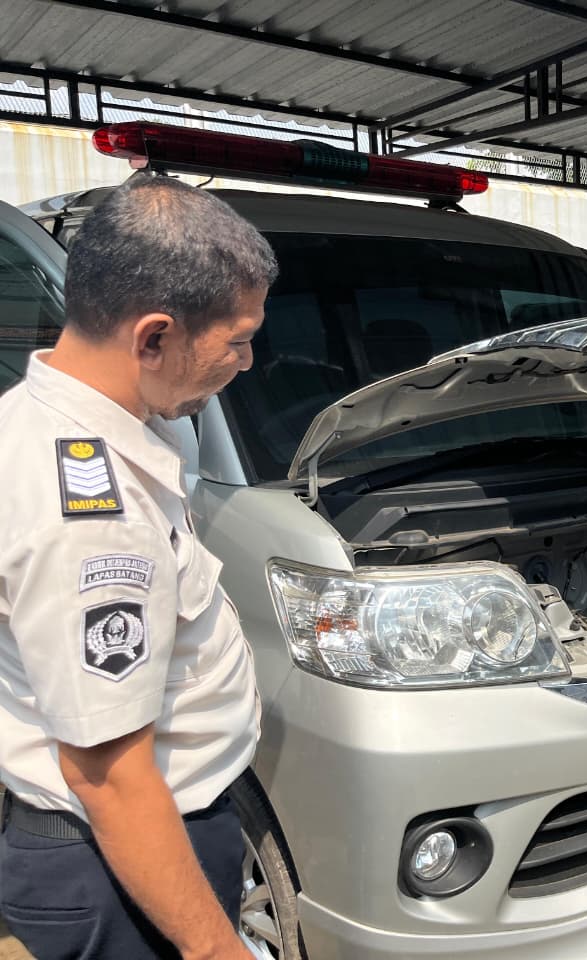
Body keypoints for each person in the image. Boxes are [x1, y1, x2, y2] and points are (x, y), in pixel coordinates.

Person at [0, 175, 277, 959]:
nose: (248, 361)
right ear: (153, 338)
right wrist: (217, 950)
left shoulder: (51, 422)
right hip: (119, 864)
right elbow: (110, 774)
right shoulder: (92, 512)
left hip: (133, 849)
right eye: (237, 338)